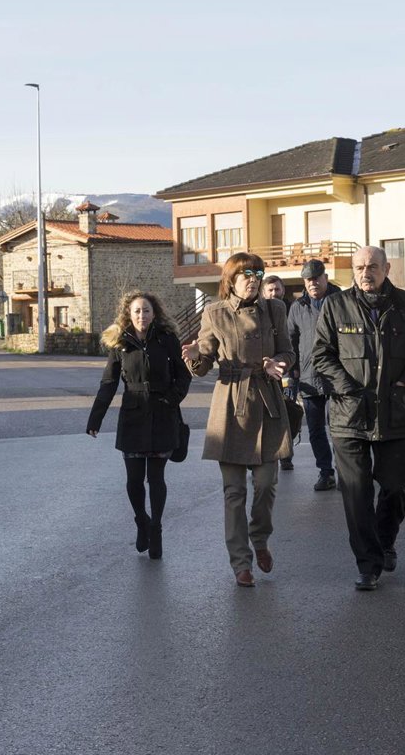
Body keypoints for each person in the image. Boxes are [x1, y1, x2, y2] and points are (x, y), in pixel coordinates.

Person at [313, 246, 405, 591]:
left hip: (392, 413)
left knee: (395, 488)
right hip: (349, 416)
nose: (366, 272)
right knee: (356, 494)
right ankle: (368, 565)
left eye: (373, 266)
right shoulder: (336, 305)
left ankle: (385, 541)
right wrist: (348, 389)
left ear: (386, 268)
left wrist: (404, 383)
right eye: (360, 267)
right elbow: (322, 354)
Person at [182, 252, 295, 588]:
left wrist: (277, 363)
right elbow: (204, 362)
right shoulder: (215, 312)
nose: (253, 280)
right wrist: (194, 357)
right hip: (231, 405)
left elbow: (288, 352)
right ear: (231, 279)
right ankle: (241, 562)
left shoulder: (275, 309)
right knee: (233, 493)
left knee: (266, 485)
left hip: (267, 403)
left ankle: (259, 538)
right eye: (246, 274)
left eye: (257, 274)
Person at [87, 290, 192, 560]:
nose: (142, 315)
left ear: (154, 314)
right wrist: (95, 418)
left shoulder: (167, 339)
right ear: (129, 314)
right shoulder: (121, 344)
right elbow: (109, 383)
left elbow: (183, 375)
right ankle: (141, 520)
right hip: (133, 416)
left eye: (146, 311)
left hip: (162, 415)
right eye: (137, 311)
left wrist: (171, 399)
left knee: (156, 479)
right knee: (134, 481)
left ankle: (156, 528)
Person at [286, 258, 341, 492]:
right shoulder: (298, 307)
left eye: (316, 278)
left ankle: (346, 472)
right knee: (316, 429)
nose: (312, 283)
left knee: (340, 428)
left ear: (325, 278)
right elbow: (290, 340)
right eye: (308, 280)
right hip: (309, 376)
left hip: (339, 376)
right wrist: (293, 370)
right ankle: (326, 472)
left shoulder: (342, 301)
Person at [262, 274, 294, 472]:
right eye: (270, 290)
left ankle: (286, 456)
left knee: (288, 413)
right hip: (266, 372)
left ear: (283, 290)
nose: (274, 293)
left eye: (277, 289)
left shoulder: (292, 309)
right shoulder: (260, 313)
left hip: (288, 368)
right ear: (264, 293)